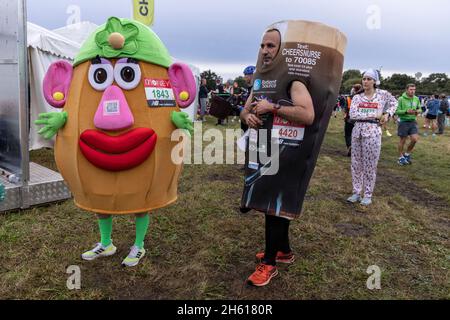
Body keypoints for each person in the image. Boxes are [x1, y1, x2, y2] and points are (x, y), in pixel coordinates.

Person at [240, 29, 315, 286]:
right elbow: (245, 110)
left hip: (287, 151)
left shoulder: (293, 80)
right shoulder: (260, 79)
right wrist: (247, 116)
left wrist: (273, 107)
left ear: (282, 50)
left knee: (273, 207)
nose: (265, 50)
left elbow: (307, 115)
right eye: (262, 45)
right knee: (271, 205)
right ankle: (283, 251)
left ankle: (269, 263)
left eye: (271, 45)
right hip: (264, 147)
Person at [347, 69, 397, 206]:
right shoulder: (357, 97)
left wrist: (387, 114)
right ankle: (356, 192)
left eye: (369, 79)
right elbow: (353, 115)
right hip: (357, 131)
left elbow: (394, 103)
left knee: (370, 165)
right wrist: (374, 115)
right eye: (364, 79)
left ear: (375, 81)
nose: (366, 81)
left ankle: (368, 194)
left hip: (373, 133)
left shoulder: (382, 95)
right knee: (356, 163)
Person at [396, 84, 421, 165]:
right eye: (411, 89)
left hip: (413, 121)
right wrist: (406, 111)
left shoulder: (416, 99)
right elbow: (397, 111)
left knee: (414, 139)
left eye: (414, 89)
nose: (412, 91)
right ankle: (400, 157)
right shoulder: (401, 99)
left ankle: (407, 154)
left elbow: (420, 108)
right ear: (406, 90)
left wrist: (417, 111)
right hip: (403, 121)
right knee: (402, 140)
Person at [343, 84, 362, 157]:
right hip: (359, 119)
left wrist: (345, 115)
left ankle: (349, 146)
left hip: (349, 119)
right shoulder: (363, 98)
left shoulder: (348, 98)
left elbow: (345, 108)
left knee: (348, 133)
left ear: (353, 90)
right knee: (357, 135)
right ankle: (356, 149)